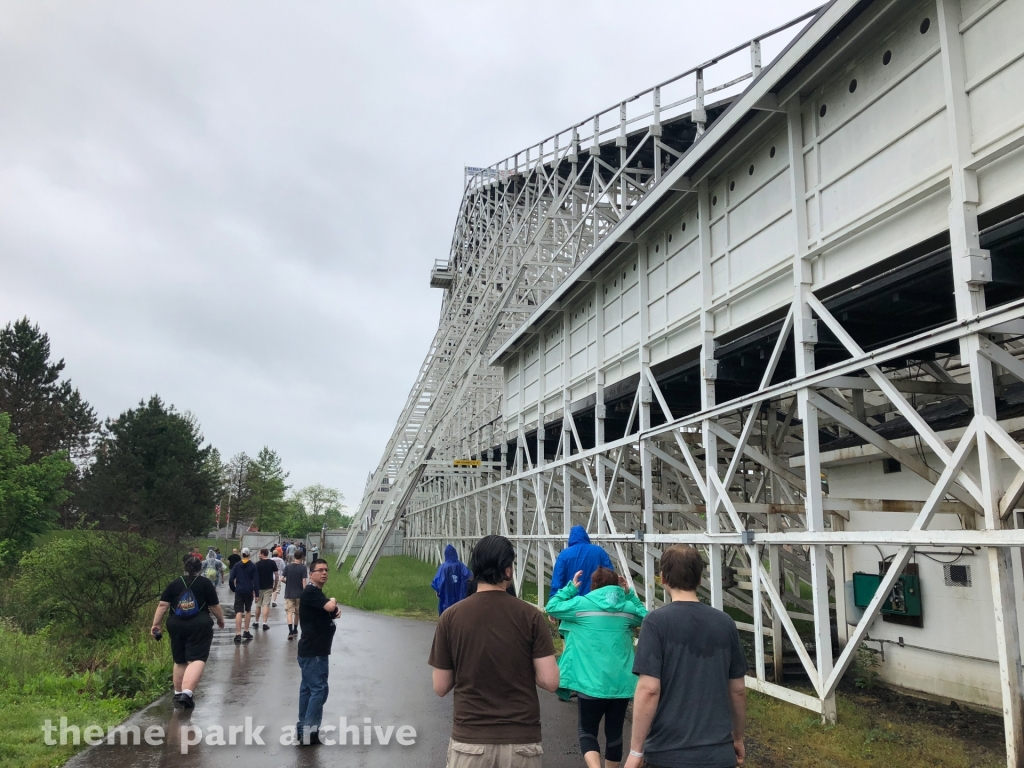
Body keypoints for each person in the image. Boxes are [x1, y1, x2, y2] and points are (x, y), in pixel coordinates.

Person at [429, 534, 560, 768]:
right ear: (507, 570)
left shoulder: (450, 618)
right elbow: (550, 681)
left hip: (470, 742)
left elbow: (440, 686)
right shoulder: (530, 616)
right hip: (522, 742)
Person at [624, 545, 747, 768]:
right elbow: (737, 690)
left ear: (663, 578)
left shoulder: (656, 623)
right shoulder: (725, 623)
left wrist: (636, 750)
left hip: (668, 754)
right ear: (700, 579)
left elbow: (649, 689)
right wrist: (737, 738)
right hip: (718, 755)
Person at [546, 567, 647, 768]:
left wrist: (570, 588)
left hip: (589, 683)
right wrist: (630, 595)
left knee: (587, 731)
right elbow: (647, 618)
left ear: (594, 585)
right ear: (617, 586)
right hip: (620, 685)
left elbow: (552, 606)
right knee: (615, 732)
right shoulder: (627, 609)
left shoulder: (582, 605)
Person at [151, 556, 225, 708]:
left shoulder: (175, 583)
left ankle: (178, 694)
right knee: (197, 658)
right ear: (201, 569)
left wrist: (155, 624)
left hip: (176, 624)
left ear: (184, 568)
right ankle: (187, 693)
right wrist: (220, 619)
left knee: (180, 660)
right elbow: (215, 606)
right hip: (199, 624)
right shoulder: (205, 583)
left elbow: (163, 605)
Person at [295, 558, 341, 746]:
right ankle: (309, 733)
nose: (324, 573)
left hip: (316, 651)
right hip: (313, 652)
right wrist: (333, 602)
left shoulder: (316, 594)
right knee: (319, 689)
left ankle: (303, 729)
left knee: (308, 689)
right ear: (311, 574)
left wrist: (332, 608)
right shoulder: (311, 592)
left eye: (326, 570)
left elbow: (332, 612)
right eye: (320, 570)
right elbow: (331, 607)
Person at [550, 525, 613, 599]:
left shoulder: (564, 555)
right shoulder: (599, 552)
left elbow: (557, 581)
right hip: (596, 601)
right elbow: (610, 576)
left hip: (571, 602)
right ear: (586, 536)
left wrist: (553, 600)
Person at [228, 547, 259, 644]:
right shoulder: (253, 566)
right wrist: (257, 593)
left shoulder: (237, 565)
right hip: (249, 590)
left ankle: (238, 633)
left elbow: (231, 579)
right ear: (249, 555)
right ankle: (246, 630)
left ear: (241, 555)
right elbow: (256, 581)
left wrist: (234, 588)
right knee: (248, 610)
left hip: (239, 590)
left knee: (238, 611)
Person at [431, 544, 472, 615]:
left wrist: (437, 591)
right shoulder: (461, 565)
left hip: (447, 594)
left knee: (447, 612)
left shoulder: (443, 567)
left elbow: (438, 581)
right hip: (460, 594)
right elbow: (469, 576)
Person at [283, 550, 309, 640]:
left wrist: (288, 582)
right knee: (297, 613)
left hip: (289, 593)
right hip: (299, 594)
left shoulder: (288, 567)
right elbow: (304, 581)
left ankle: (290, 631)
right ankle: (295, 629)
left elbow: (282, 578)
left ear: (294, 556)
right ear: (302, 557)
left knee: (289, 612)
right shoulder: (303, 568)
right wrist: (305, 592)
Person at [253, 548, 279, 631]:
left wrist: (254, 588)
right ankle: (264, 623)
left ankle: (256, 622)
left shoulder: (257, 564)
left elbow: (254, 577)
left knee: (258, 605)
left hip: (259, 587)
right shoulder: (272, 563)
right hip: (268, 586)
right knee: (266, 605)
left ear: (262, 554)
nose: (258, 555)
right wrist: (275, 585)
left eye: (259, 553)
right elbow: (276, 575)